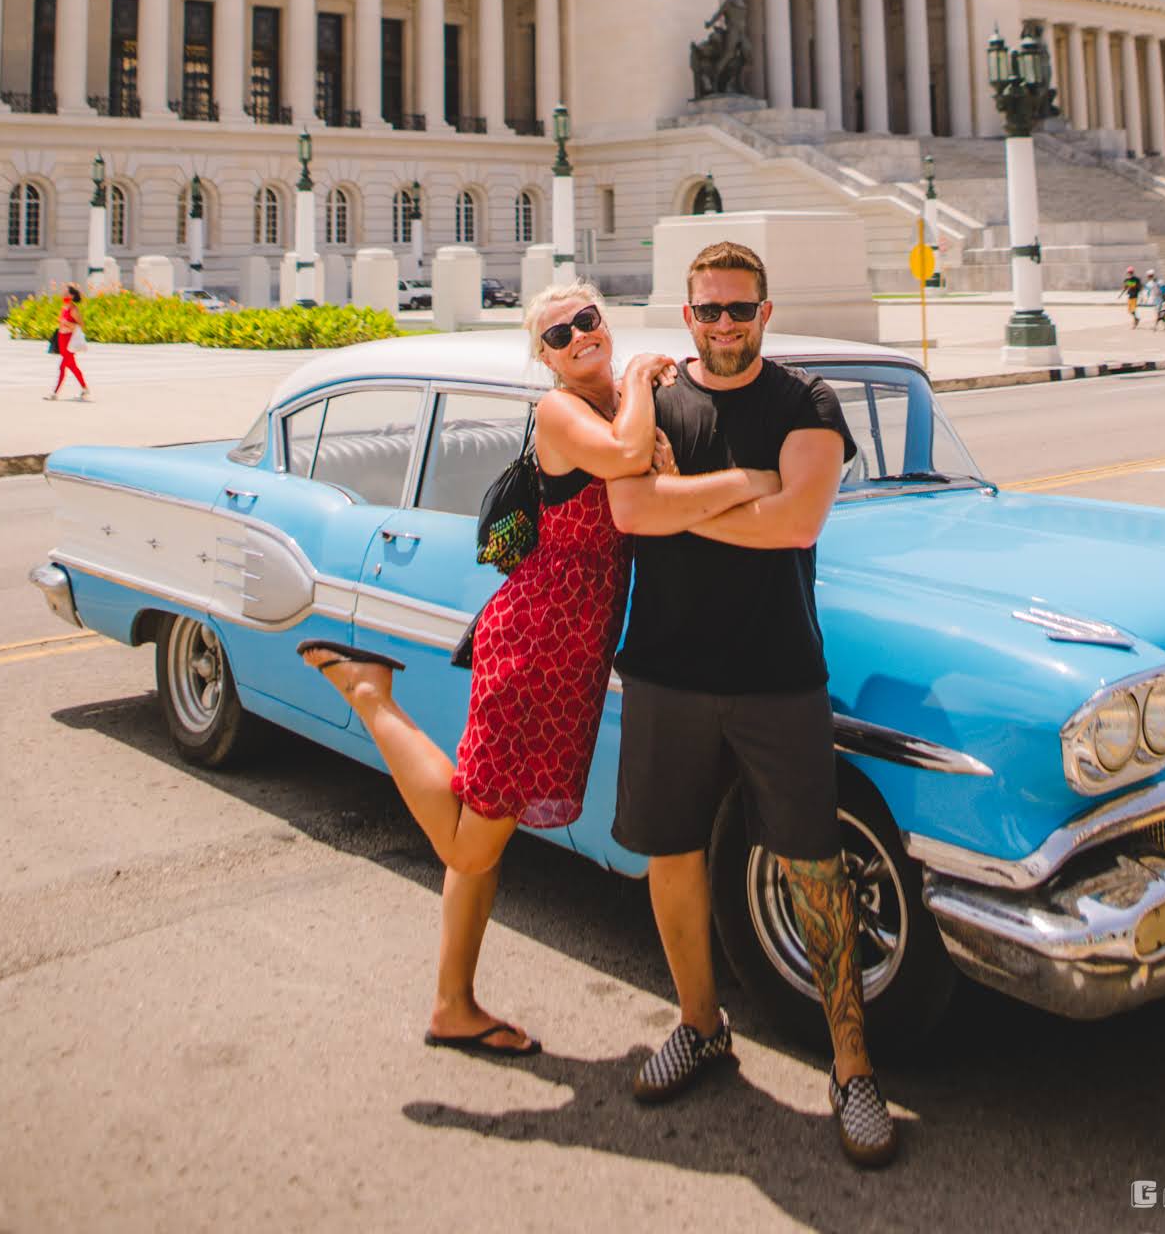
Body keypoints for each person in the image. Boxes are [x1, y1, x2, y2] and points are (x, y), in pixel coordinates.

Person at [298, 282, 774, 1057]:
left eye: (588, 319)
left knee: (489, 831)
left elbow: (649, 482)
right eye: (559, 334)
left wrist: (647, 404)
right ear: (545, 357)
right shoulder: (563, 412)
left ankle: (454, 1003)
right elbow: (625, 457)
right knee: (470, 839)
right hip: (536, 647)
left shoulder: (619, 401)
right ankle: (370, 694)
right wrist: (648, 377)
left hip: (571, 654)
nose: (579, 336)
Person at [604, 239, 899, 1171]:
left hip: (778, 672)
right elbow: (629, 515)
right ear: (685, 314)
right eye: (707, 310)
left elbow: (799, 523)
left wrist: (677, 501)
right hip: (665, 667)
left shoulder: (807, 402)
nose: (723, 325)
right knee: (673, 857)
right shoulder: (656, 397)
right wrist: (740, 487)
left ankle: (853, 1067)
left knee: (814, 867)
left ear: (766, 313)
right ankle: (699, 1023)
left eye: (739, 309)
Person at [46, 284, 89, 401]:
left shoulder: (74, 310)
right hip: (62, 339)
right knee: (71, 366)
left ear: (72, 296)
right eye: (63, 293)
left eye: (66, 293)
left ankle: (55, 393)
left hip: (69, 342)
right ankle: (85, 389)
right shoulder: (64, 307)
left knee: (64, 367)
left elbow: (81, 326)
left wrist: (67, 323)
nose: (63, 295)